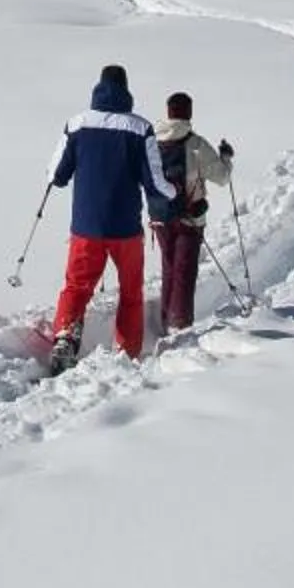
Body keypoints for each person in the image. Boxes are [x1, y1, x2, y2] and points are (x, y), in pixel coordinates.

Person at [45, 63, 176, 364]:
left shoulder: (77, 124)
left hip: (86, 226)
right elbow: (154, 182)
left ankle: (65, 335)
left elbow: (57, 175)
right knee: (131, 291)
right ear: (126, 89)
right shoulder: (140, 128)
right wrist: (172, 195)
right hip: (125, 228)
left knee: (77, 285)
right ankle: (127, 352)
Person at [145, 91, 234, 331]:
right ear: (189, 113)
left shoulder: (152, 142)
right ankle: (179, 325)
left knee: (169, 267)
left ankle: (166, 321)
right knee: (185, 271)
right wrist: (226, 157)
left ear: (168, 111)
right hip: (190, 217)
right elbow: (222, 177)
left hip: (159, 217)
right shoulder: (196, 144)